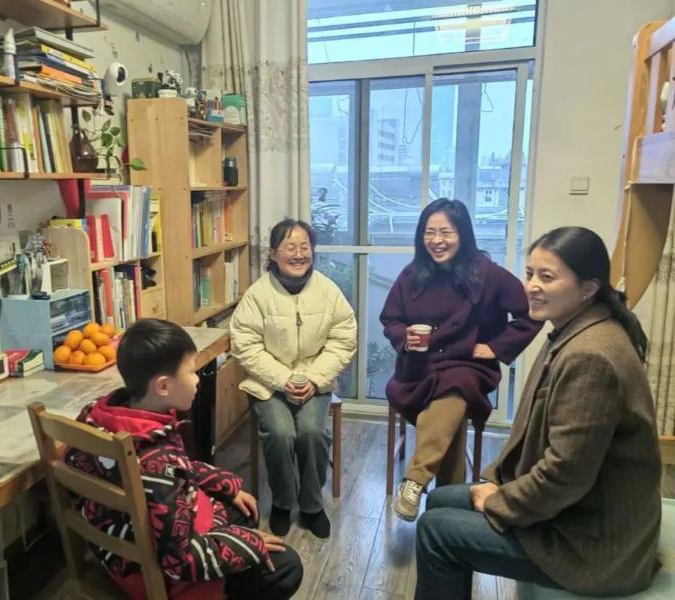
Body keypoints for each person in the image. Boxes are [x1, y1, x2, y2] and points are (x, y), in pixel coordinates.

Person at [414, 226, 661, 599]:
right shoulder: (574, 329)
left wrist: (500, 499)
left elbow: (565, 476)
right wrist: (497, 482)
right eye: (530, 273)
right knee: (440, 499)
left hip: (594, 544)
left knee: (436, 531)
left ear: (588, 288)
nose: (532, 286)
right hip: (576, 512)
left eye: (547, 277)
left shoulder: (590, 355)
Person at [66, 319, 304, 600]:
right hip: (156, 573)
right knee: (287, 567)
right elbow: (179, 561)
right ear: (163, 386)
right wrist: (246, 543)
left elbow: (175, 472)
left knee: (245, 508)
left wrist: (226, 486)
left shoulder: (101, 415)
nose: (197, 379)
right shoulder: (158, 462)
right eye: (191, 372)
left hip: (121, 547)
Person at [380, 198, 541, 521]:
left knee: (456, 386)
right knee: (450, 423)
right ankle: (446, 507)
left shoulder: (488, 274)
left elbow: (531, 313)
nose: (437, 240)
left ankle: (414, 480)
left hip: (467, 365)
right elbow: (390, 319)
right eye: (429, 233)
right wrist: (405, 336)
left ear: (463, 234)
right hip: (419, 368)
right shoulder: (412, 274)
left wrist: (495, 348)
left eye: (446, 232)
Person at [230, 218, 357, 539]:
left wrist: (313, 378)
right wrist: (283, 379)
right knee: (281, 433)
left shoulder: (328, 291)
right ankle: (283, 503)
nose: (299, 254)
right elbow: (245, 345)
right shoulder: (257, 295)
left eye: (305, 247)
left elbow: (343, 339)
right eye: (290, 247)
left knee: (312, 432)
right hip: (268, 384)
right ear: (273, 254)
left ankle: (312, 506)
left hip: (316, 382)